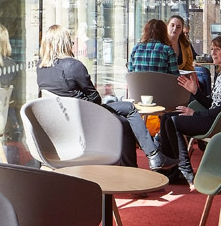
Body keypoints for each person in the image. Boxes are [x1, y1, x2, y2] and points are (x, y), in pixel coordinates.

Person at [38, 25, 169, 170]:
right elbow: (95, 100)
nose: (71, 45)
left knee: (125, 119)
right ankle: (152, 155)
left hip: (64, 118)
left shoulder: (41, 68)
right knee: (129, 110)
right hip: (87, 115)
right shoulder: (74, 66)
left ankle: (150, 158)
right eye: (70, 42)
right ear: (64, 43)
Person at [154, 35, 221, 187]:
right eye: (212, 49)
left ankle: (185, 172)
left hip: (219, 121)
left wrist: (195, 114)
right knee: (167, 118)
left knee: (174, 121)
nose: (213, 53)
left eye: (217, 49)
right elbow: (213, 103)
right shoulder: (220, 74)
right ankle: (172, 167)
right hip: (213, 116)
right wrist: (195, 91)